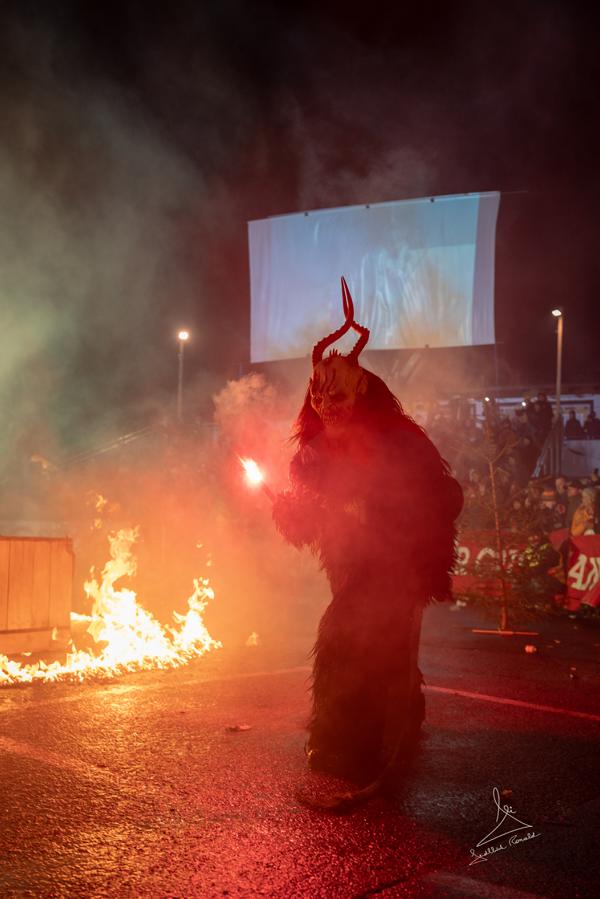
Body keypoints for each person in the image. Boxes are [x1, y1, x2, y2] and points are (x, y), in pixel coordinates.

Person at [272, 278, 463, 808]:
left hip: (395, 564)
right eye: (316, 393)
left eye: (335, 393)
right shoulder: (312, 453)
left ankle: (346, 742)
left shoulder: (401, 442)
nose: (324, 403)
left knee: (349, 635)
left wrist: (390, 515)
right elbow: (305, 524)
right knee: (375, 642)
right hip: (348, 565)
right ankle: (380, 725)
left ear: (360, 391)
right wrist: (291, 510)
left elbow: (445, 496)